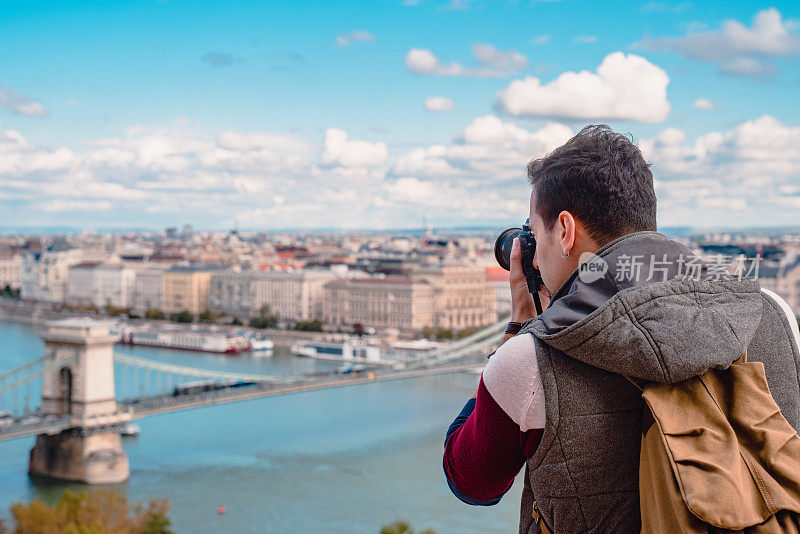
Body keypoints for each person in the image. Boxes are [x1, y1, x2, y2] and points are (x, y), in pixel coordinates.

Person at [443, 125, 800, 533]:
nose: (534, 260)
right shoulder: (769, 311)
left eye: (534, 234)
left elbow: (472, 481)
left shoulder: (530, 360)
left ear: (565, 231)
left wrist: (520, 329)